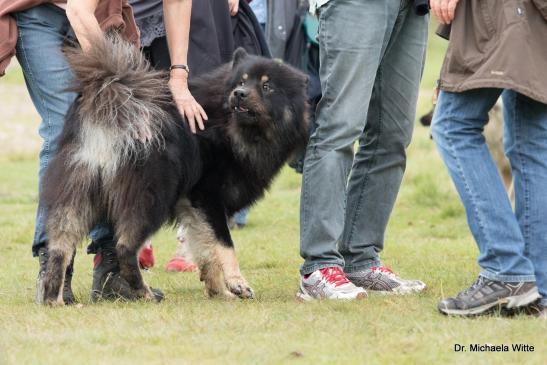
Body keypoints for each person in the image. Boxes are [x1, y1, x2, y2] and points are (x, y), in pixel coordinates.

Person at [0, 0, 204, 303]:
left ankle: (111, 267)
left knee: (120, 133)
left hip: (103, 14)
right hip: (41, 14)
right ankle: (55, 268)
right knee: (64, 126)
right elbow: (78, 11)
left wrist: (178, 77)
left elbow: (177, 2)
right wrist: (121, 95)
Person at [296, 0, 429, 300]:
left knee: (393, 135)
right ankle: (319, 266)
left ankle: (361, 259)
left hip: (411, 7)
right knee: (340, 127)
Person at [430, 0, 546, 318]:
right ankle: (538, 288)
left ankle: (504, 268)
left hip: (505, 11)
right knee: (532, 145)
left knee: (453, 126)